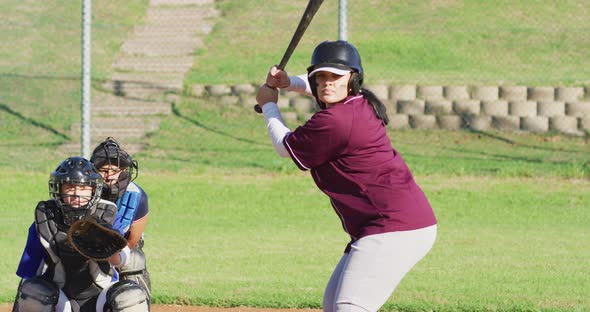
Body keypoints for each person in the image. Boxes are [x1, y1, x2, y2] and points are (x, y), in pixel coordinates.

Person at [255, 40, 438, 312]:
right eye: (321, 77)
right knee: (334, 306)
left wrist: (269, 106)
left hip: (394, 226)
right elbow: (321, 87)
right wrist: (288, 82)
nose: (327, 83)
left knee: (349, 306)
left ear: (352, 80)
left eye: (336, 77)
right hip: (388, 223)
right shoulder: (359, 102)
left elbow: (285, 148)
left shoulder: (336, 121)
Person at [13, 156, 149, 312]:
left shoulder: (107, 214)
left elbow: (123, 258)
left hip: (102, 291)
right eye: (70, 187)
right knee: (34, 293)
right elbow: (28, 273)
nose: (77, 194)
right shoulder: (45, 218)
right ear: (59, 189)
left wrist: (110, 254)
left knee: (129, 298)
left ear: (94, 190)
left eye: (83, 188)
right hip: (59, 294)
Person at [90, 138, 151, 304]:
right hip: (86, 243)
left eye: (114, 170)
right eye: (103, 170)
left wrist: (114, 256)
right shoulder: (83, 189)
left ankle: (137, 304)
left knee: (135, 261)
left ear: (123, 170)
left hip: (122, 244)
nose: (109, 176)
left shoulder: (136, 195)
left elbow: (133, 240)